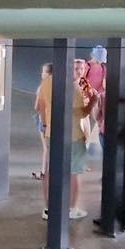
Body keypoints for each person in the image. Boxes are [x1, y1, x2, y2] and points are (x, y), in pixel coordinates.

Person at [37, 59, 94, 221]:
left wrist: (47, 124)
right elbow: (81, 114)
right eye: (76, 69)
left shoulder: (47, 82)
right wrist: (93, 102)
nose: (79, 72)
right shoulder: (74, 88)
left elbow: (41, 106)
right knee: (74, 172)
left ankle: (48, 209)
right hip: (73, 136)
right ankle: (72, 208)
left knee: (50, 171)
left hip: (52, 133)